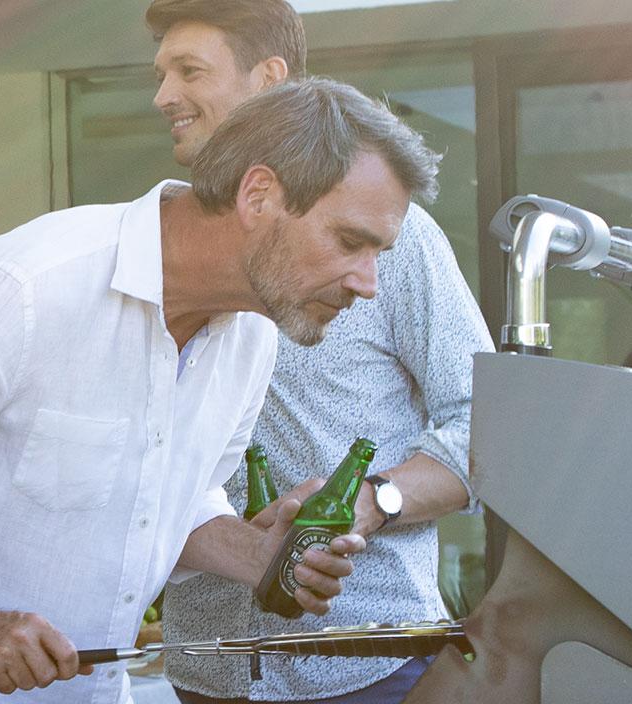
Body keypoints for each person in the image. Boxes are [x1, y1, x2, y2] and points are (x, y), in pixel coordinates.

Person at [0, 77, 442, 703]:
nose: (369, 283)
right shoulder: (27, 288)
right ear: (259, 195)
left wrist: (253, 553)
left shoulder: (253, 338)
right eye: (351, 242)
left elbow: (172, 496)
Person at [140, 2, 489, 702]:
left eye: (190, 71)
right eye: (162, 72)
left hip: (371, 665)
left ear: (268, 78)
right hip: (205, 669)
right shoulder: (160, 250)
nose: (163, 96)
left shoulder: (396, 237)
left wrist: (374, 498)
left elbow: (491, 427)